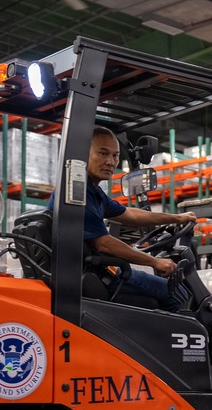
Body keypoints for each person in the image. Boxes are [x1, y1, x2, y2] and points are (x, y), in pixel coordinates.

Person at [82, 126, 197, 312]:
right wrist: (154, 262)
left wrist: (177, 218)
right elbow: (104, 243)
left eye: (115, 156)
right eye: (103, 153)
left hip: (98, 271)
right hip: (100, 275)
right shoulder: (79, 193)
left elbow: (132, 215)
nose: (110, 162)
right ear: (82, 154)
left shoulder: (93, 192)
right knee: (176, 293)